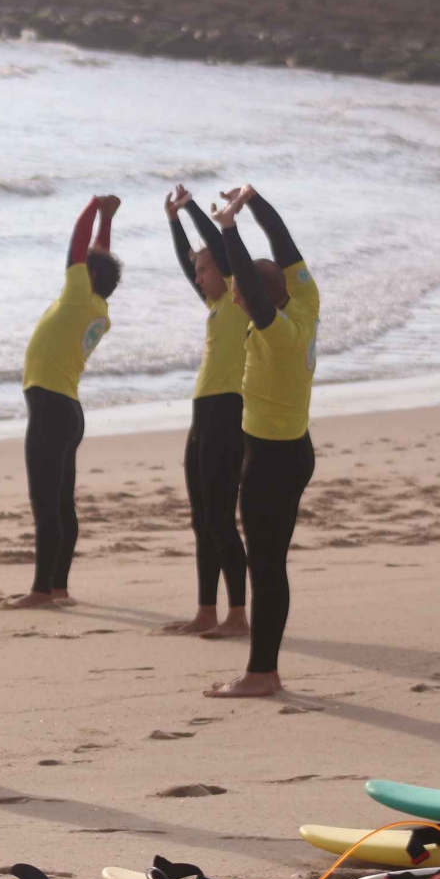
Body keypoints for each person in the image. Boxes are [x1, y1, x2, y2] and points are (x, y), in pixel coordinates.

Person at [203, 184, 319, 698]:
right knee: (271, 563)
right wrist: (251, 201)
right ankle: (263, 670)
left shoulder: (278, 335)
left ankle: (262, 674)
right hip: (293, 452)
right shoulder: (306, 302)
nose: (230, 290)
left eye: (238, 289)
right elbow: (283, 239)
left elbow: (249, 276)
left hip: (270, 463)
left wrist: (229, 229)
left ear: (250, 300)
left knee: (266, 566)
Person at [7, 195, 122, 609]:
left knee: (45, 505)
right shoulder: (98, 307)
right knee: (61, 503)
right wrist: (107, 220)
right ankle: (58, 586)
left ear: (86, 275)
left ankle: (41, 591)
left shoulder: (77, 295)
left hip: (50, 412)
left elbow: (77, 247)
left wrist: (92, 207)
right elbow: (97, 258)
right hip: (68, 411)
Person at [164, 184, 250, 638]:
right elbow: (187, 264)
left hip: (228, 416)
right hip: (203, 417)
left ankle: (237, 614)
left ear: (226, 270)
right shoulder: (218, 303)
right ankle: (205, 611)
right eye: (196, 271)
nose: (197, 277)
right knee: (202, 521)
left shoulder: (238, 294)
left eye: (204, 270)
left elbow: (220, 248)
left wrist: (192, 208)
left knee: (220, 518)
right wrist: (173, 222)